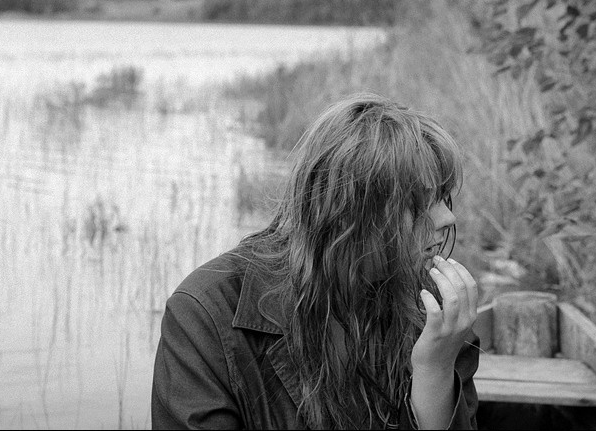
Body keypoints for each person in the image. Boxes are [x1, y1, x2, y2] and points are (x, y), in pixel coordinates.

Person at [152, 94, 479, 429]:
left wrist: (435, 373)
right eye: (418, 202)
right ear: (346, 212)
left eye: (442, 196)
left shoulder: (434, 314)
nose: (447, 217)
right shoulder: (206, 314)